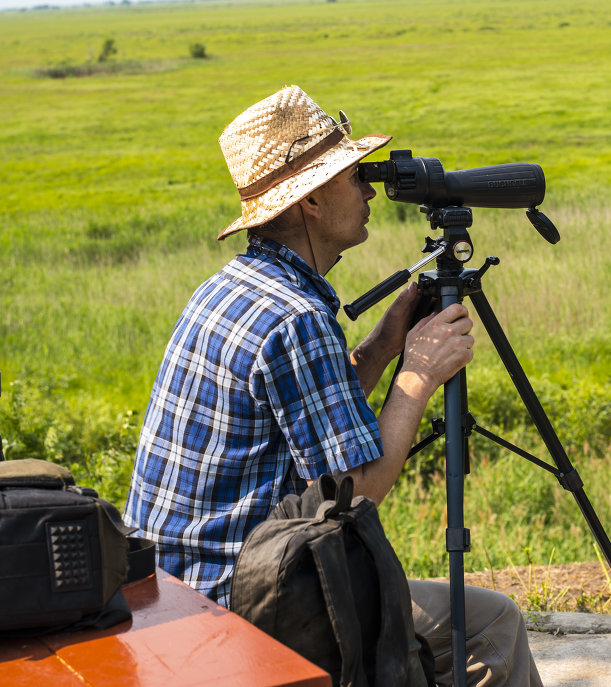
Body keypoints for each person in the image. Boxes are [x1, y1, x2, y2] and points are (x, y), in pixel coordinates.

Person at [124, 85, 541, 687]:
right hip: (243, 602)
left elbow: (308, 415)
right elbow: (354, 490)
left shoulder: (234, 287)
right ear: (313, 199)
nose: (369, 190)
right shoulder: (296, 319)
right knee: (492, 623)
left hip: (170, 586)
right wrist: (418, 377)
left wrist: (383, 346)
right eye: (352, 176)